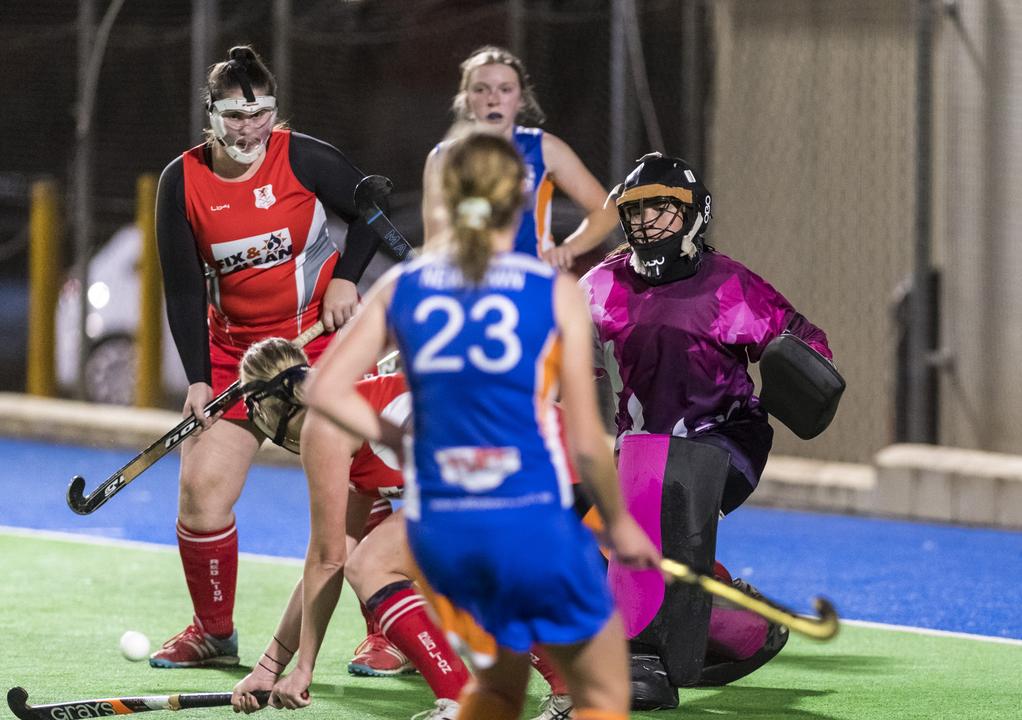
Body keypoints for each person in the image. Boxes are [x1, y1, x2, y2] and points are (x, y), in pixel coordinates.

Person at [303, 131, 660, 720]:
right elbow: (586, 440)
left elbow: (322, 389)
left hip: (442, 533)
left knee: (495, 694)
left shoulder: (401, 288)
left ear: (445, 200)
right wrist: (620, 527)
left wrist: (396, 437)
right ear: (517, 203)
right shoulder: (552, 292)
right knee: (601, 693)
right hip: (526, 522)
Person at [149, 45, 383, 669]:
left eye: (261, 114)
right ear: (212, 113)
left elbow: (372, 211)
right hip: (235, 360)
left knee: (367, 480)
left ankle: (386, 626)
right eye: (236, 115)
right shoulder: (183, 181)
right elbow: (181, 287)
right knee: (200, 491)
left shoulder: (302, 156)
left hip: (316, 350)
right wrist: (199, 379)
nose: (250, 128)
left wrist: (346, 277)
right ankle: (214, 631)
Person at [578, 152, 836, 710]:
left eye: (662, 209)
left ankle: (642, 662)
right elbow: (557, 363)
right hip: (640, 452)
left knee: (656, 503)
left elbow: (804, 342)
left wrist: (803, 377)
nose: (647, 221)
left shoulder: (731, 286)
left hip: (725, 441)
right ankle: (742, 627)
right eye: (637, 210)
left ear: (696, 214)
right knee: (583, 541)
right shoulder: (598, 286)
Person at [228, 338, 471, 720]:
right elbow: (334, 553)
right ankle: (564, 695)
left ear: (263, 406)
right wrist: (269, 667)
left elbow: (327, 560)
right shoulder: (346, 412)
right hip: (526, 463)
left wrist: (303, 670)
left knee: (371, 566)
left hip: (506, 473)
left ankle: (463, 699)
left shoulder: (324, 427)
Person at [422, 46, 615, 271]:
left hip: (530, 278)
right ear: (466, 100)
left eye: (505, 89)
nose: (493, 99)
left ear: (521, 99)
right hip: (470, 281)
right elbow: (434, 239)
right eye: (481, 89)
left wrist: (567, 249)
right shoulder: (444, 157)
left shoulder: (544, 148)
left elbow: (605, 212)